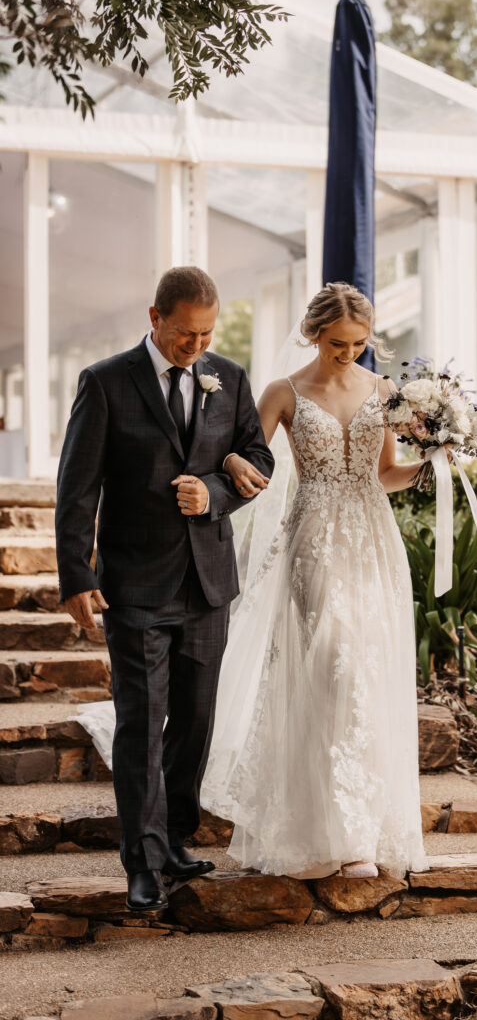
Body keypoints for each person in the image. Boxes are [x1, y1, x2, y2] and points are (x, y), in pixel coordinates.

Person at [77, 282, 429, 881]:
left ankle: (356, 826)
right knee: (334, 661)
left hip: (372, 542)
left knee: (366, 672)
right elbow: (244, 455)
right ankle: (319, 829)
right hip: (313, 537)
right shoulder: (279, 390)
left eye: (360, 345)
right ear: (314, 333)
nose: (349, 354)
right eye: (338, 343)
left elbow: (388, 473)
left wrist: (437, 461)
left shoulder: (385, 391)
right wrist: (233, 469)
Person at [55, 266, 274, 911]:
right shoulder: (105, 382)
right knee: (142, 723)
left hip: (208, 581)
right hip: (137, 585)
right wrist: (76, 576)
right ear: (155, 318)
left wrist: (219, 488)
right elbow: (77, 488)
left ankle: (175, 837)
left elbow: (258, 458)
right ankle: (143, 861)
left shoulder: (228, 377)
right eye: (185, 334)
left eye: (206, 334)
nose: (196, 347)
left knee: (196, 720)